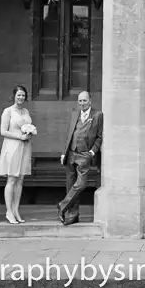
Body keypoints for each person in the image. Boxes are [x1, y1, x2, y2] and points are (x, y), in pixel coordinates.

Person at [57, 91, 103, 226]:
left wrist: (92, 152)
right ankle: (72, 214)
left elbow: (100, 136)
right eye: (80, 101)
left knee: (81, 184)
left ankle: (62, 204)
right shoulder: (74, 113)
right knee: (70, 185)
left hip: (84, 154)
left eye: (84, 101)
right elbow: (70, 133)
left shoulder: (97, 115)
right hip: (71, 152)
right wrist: (64, 153)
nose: (82, 103)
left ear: (90, 101)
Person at [0, 85, 34, 224]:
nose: (21, 98)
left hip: (25, 147)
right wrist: (19, 137)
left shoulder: (26, 111)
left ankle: (16, 209)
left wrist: (30, 132)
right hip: (12, 146)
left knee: (21, 179)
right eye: (19, 95)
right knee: (12, 178)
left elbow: (28, 126)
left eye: (23, 95)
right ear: (14, 96)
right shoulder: (8, 111)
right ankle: (8, 211)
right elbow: (3, 131)